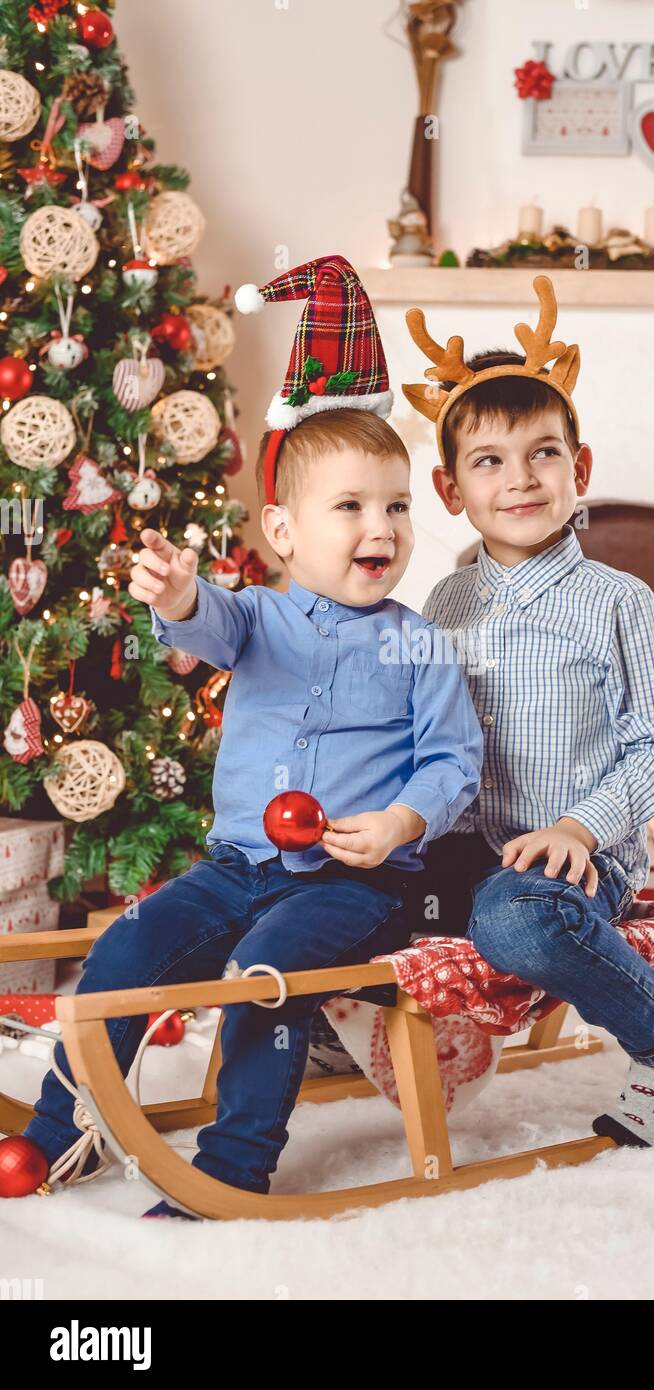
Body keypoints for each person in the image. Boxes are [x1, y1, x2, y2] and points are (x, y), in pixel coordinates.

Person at [14, 256, 481, 1217]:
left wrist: (398, 823)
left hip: (355, 882)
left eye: (394, 506)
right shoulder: (258, 616)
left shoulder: (419, 642)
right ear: (282, 527)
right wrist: (179, 593)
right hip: (235, 861)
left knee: (264, 979)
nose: (379, 526)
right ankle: (64, 1135)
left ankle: (233, 1163)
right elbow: (204, 621)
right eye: (348, 506)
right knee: (124, 954)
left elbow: (452, 760)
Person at [402, 275, 654, 1149]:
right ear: (451, 488)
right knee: (343, 889)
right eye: (489, 461)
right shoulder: (444, 604)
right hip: (462, 848)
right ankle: (329, 1027)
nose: (520, 479)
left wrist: (578, 827)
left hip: (576, 864)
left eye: (542, 453)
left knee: (515, 917)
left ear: (581, 468)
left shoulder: (620, 601)